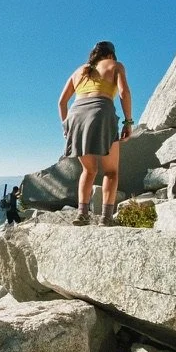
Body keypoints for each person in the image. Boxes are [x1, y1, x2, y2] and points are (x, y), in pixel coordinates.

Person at [58, 40, 133, 226]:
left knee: (88, 169)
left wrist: (66, 126)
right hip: (101, 112)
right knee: (111, 171)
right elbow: (124, 93)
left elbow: (61, 102)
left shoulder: (80, 71)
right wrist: (128, 122)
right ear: (111, 55)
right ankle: (105, 217)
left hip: (76, 116)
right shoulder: (115, 65)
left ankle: (82, 214)